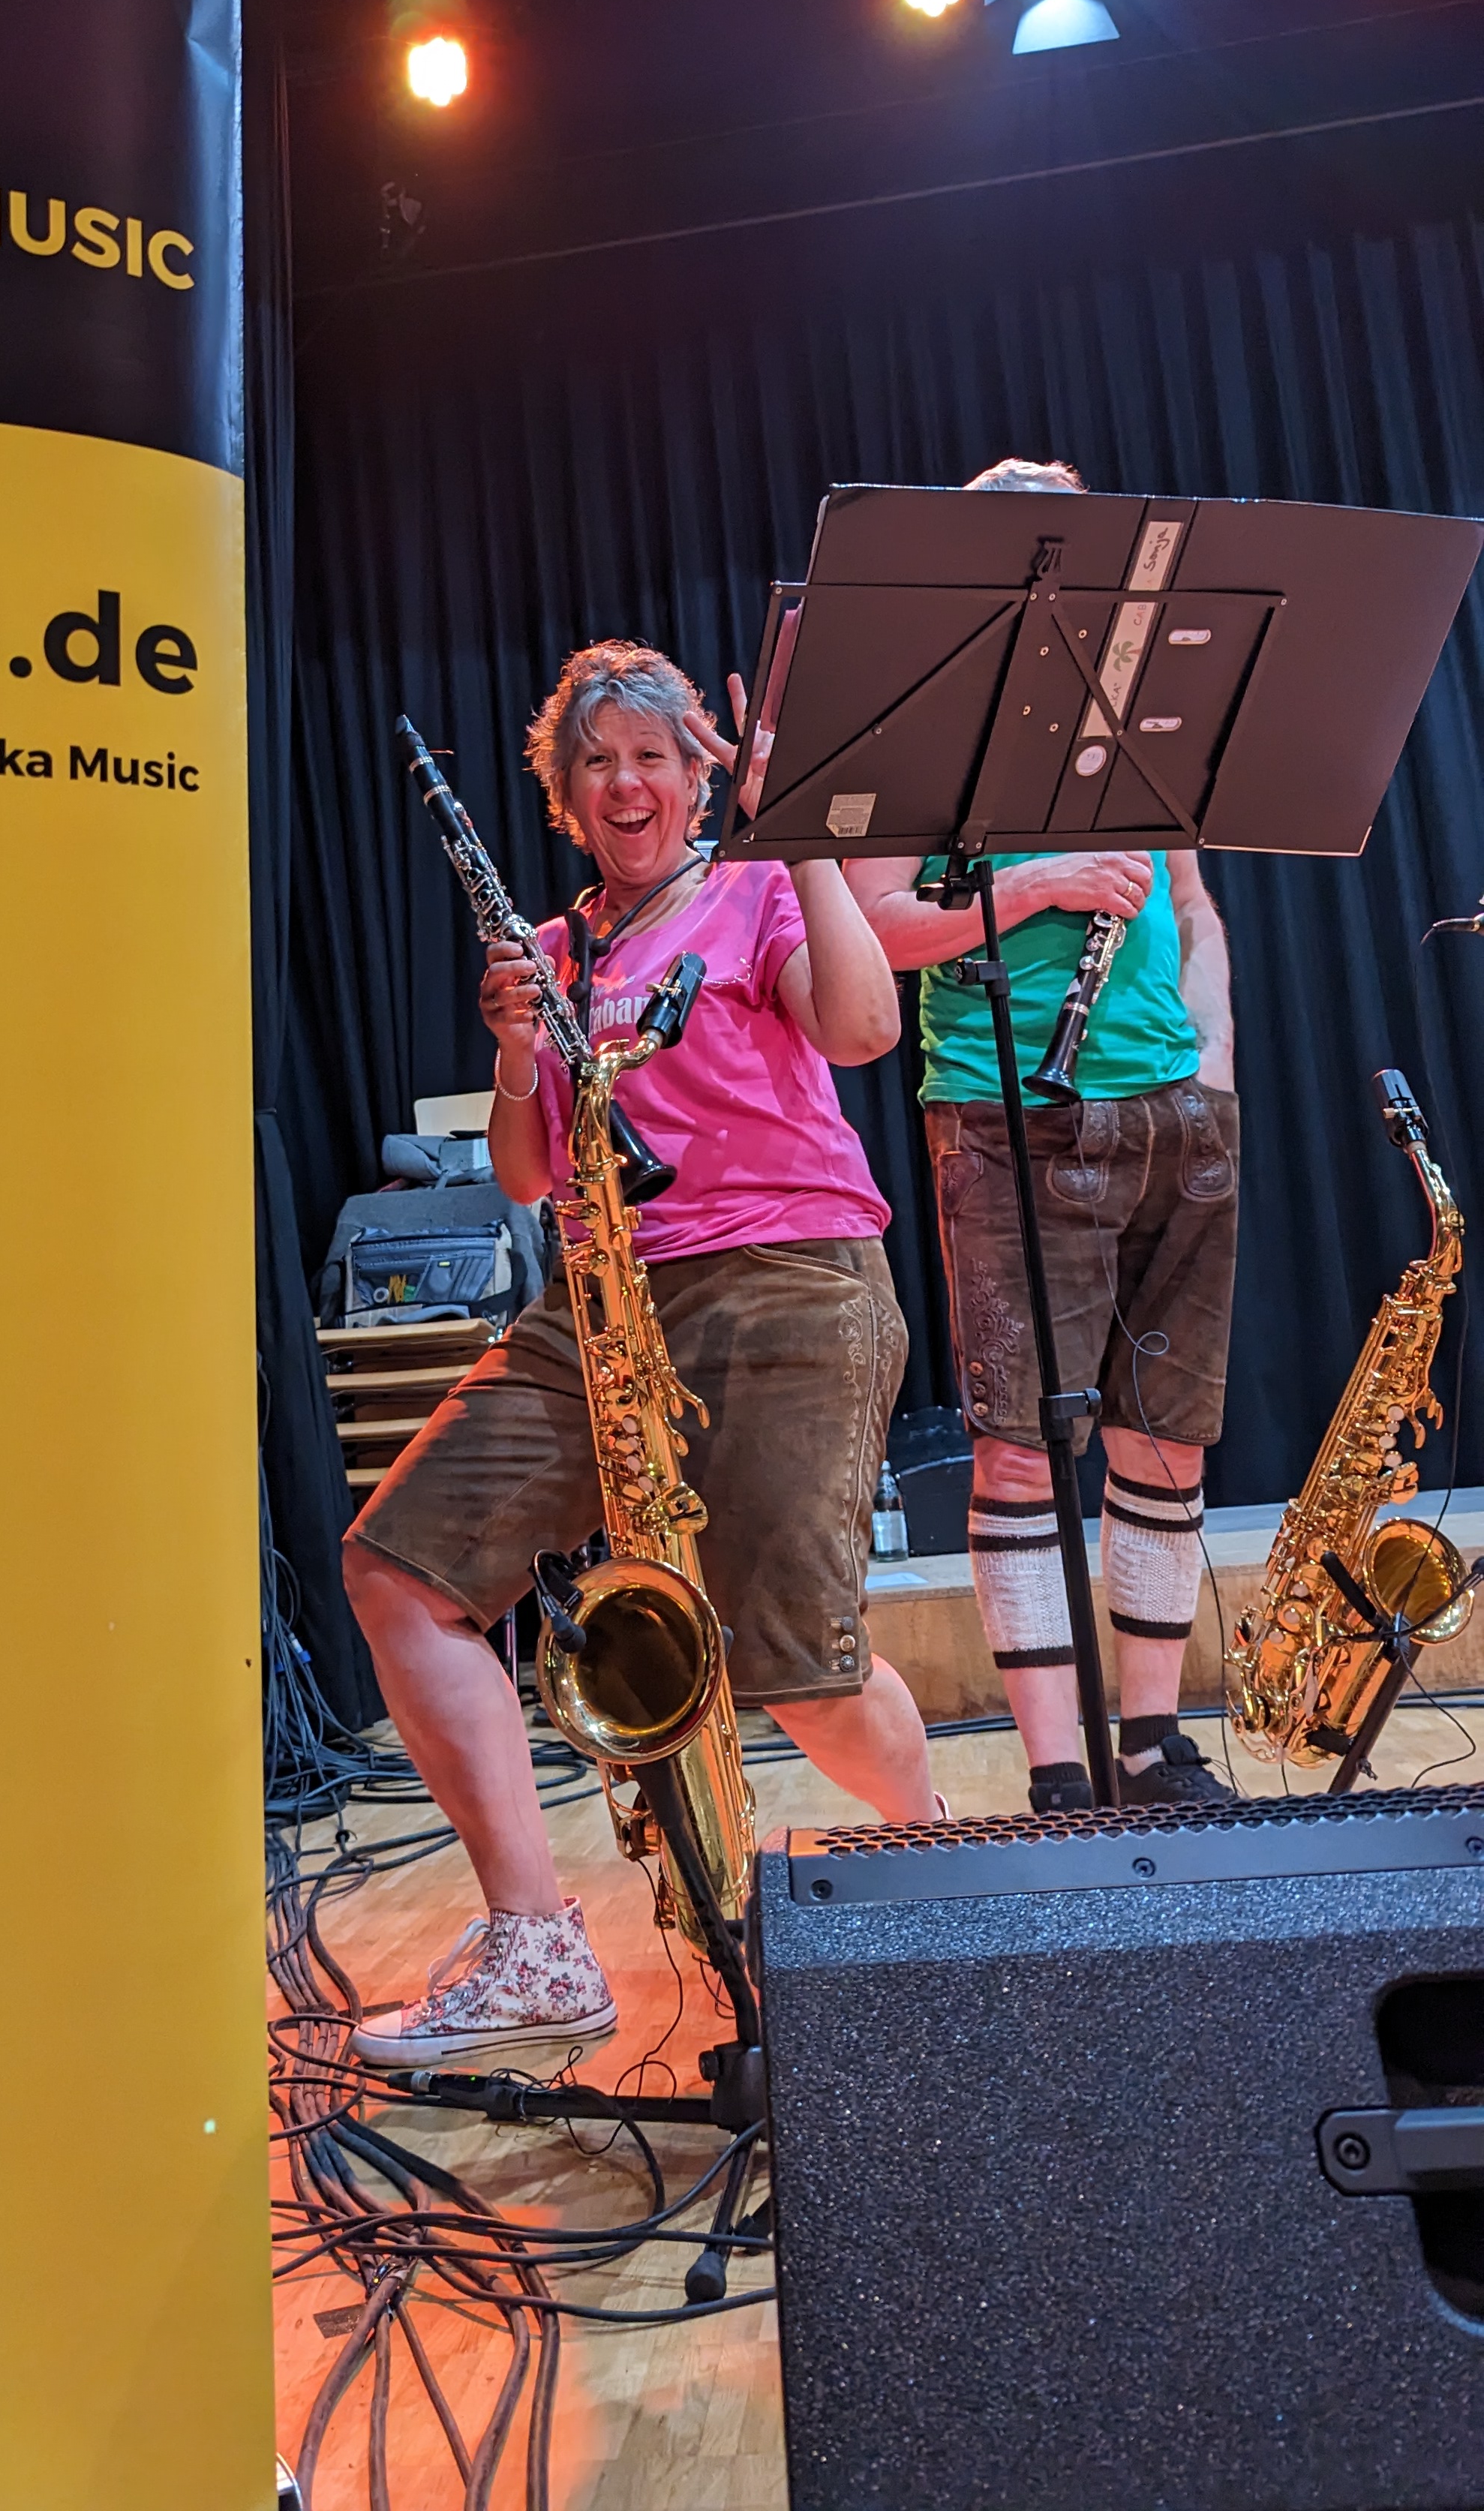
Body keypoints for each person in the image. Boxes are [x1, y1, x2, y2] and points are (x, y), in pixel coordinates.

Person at [343, 638, 939, 2068]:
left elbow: (864, 1027)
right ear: (566, 794)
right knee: (398, 1572)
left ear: (696, 780)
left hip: (787, 1273)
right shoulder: (556, 952)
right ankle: (538, 1947)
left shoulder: (752, 893)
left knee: (797, 1665)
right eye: (598, 761)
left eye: (654, 758)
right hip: (602, 1297)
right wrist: (511, 1052)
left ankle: (939, 1878)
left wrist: (800, 837)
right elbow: (527, 1176)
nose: (626, 782)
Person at [847, 457, 1239, 1817]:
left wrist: (1214, 1070)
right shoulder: (915, 724)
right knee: (1020, 1445)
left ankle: (1154, 1744)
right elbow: (875, 928)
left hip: (1175, 1111)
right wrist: (1037, 886)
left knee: (1168, 1437)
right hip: (1006, 1112)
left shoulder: (1141, 717)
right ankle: (1059, 1771)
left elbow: (1195, 909)